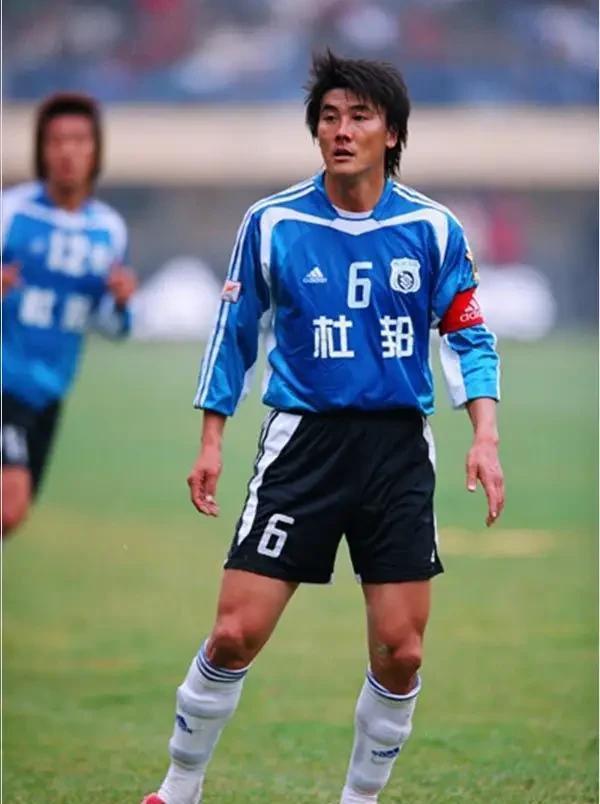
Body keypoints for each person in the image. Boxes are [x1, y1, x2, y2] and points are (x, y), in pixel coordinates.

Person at [143, 51, 504, 804]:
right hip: (302, 446)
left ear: (392, 133)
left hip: (397, 452)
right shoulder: (273, 222)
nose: (341, 131)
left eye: (359, 117)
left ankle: (359, 799)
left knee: (402, 652)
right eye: (329, 117)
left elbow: (469, 336)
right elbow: (233, 334)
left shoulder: (433, 229)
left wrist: (485, 436)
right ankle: (178, 788)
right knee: (234, 635)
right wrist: (211, 440)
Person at [2, 93, 137, 535]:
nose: (67, 152)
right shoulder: (12, 212)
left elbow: (111, 327)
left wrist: (121, 302)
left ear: (96, 150)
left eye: (79, 140)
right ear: (41, 149)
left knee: (12, 516)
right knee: (9, 505)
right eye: (57, 140)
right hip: (6, 383)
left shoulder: (108, 229)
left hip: (50, 393)